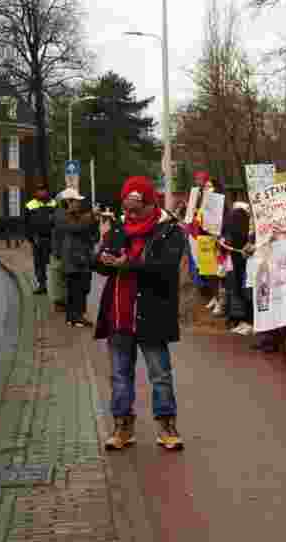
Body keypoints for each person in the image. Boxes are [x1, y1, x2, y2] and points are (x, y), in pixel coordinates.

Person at [93, 176, 187, 452]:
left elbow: (165, 268)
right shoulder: (119, 228)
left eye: (136, 208)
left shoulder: (169, 231)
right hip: (119, 313)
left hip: (152, 313)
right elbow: (100, 262)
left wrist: (128, 265)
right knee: (120, 375)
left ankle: (167, 426)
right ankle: (123, 425)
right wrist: (103, 259)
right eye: (127, 207)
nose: (130, 213)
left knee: (160, 374)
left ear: (151, 204)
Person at [53, 189, 98, 328]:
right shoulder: (62, 215)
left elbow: (90, 232)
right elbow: (76, 227)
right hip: (74, 258)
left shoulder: (76, 215)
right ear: (68, 202)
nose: (79, 203)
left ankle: (74, 316)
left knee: (80, 287)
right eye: (76, 201)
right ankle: (76, 316)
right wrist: (91, 216)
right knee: (76, 288)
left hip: (80, 256)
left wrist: (94, 221)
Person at [219, 204, 253, 335]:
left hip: (242, 264)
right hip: (236, 263)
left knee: (244, 292)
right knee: (240, 291)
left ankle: (247, 321)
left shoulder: (246, 233)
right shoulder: (240, 231)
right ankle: (245, 321)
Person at [24, 184, 58, 294]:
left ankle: (56, 285)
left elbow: (58, 221)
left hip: (52, 238)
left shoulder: (54, 203)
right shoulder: (30, 205)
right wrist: (30, 238)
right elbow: (26, 223)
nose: (41, 193)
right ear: (35, 193)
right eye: (39, 190)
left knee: (54, 263)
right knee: (39, 264)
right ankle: (42, 285)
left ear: (47, 192)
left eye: (43, 190)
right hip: (37, 239)